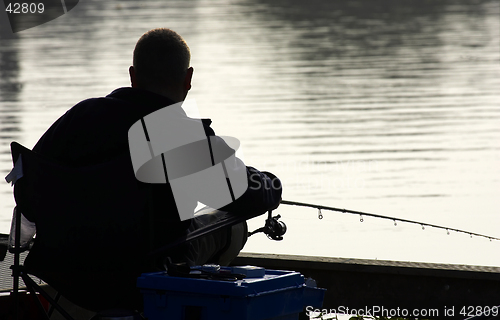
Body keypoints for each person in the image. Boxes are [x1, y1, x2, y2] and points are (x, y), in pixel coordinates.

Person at [27, 28, 282, 312]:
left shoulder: (79, 117)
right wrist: (271, 183)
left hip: (67, 275)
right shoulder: (183, 136)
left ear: (132, 75)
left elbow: (27, 190)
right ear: (188, 79)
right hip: (146, 276)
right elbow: (251, 195)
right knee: (232, 224)